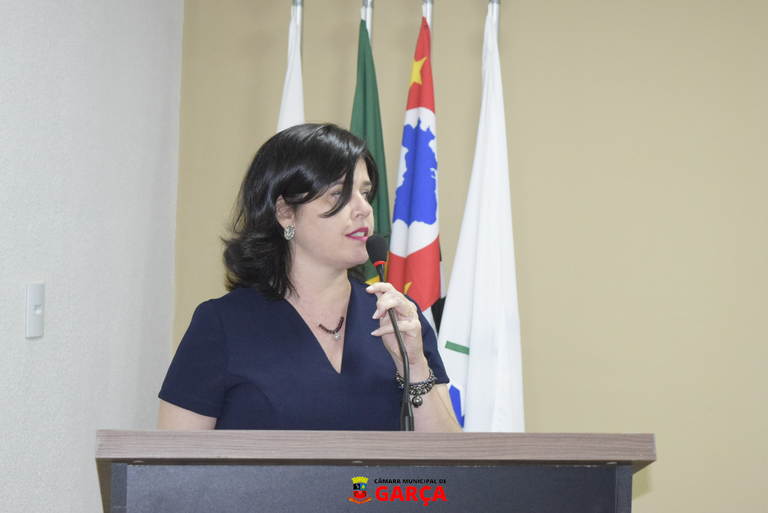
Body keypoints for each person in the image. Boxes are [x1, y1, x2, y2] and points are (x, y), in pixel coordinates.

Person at [158, 123, 460, 432]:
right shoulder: (222, 325)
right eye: (338, 194)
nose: (364, 209)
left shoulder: (398, 317)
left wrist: (415, 366)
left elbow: (450, 459)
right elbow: (173, 458)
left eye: (365, 193)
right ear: (285, 212)